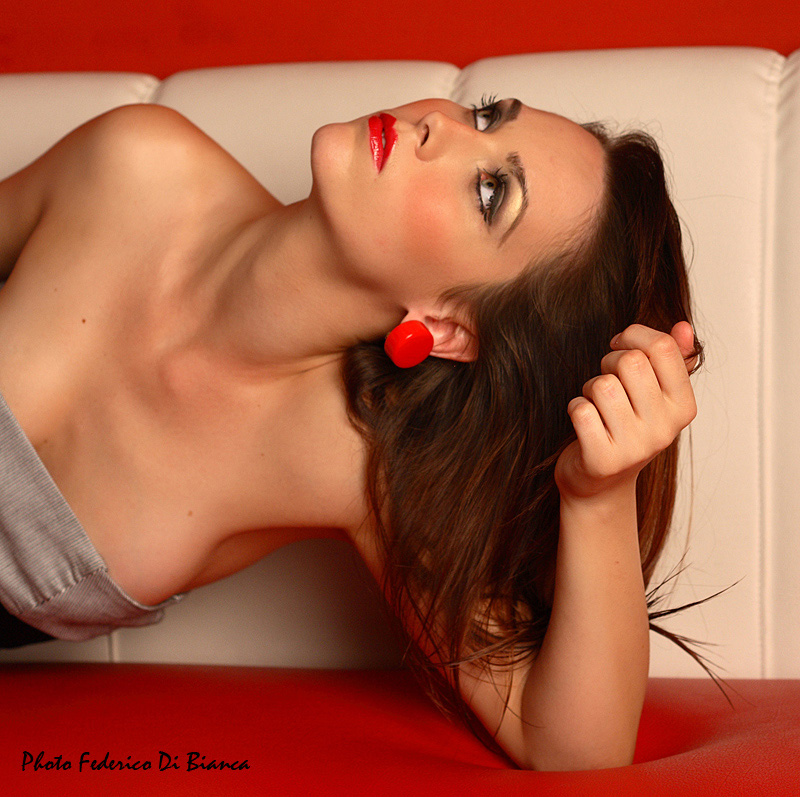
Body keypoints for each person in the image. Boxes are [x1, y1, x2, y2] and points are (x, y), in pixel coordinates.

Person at [0, 96, 701, 770]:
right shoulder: (136, 162)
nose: (439, 124)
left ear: (450, 328)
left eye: (490, 193)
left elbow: (574, 750)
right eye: (486, 115)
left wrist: (599, 495)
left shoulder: (353, 460)